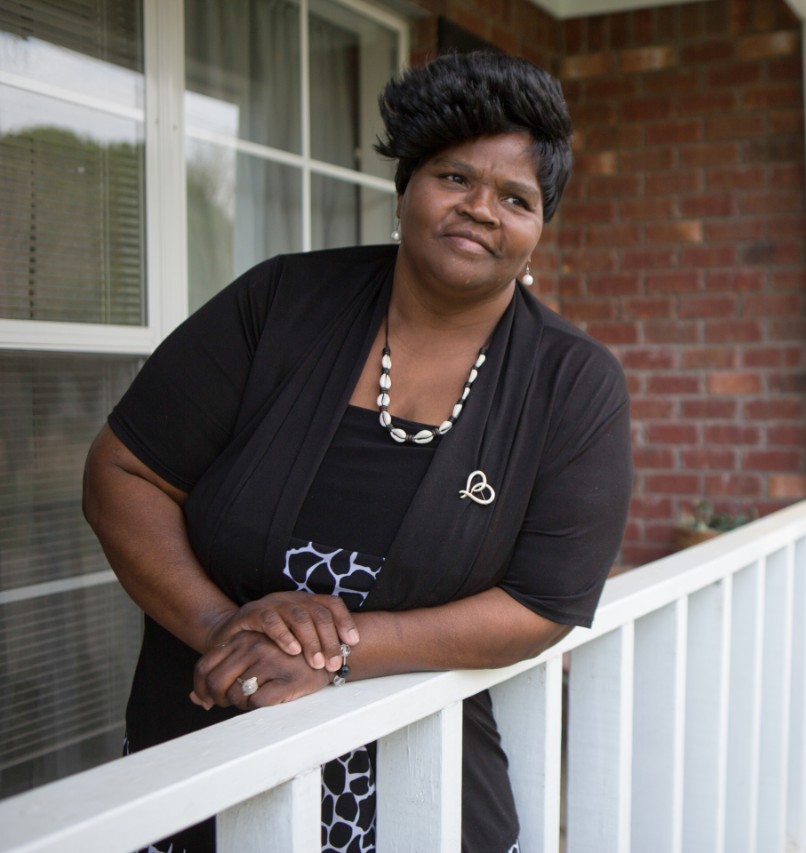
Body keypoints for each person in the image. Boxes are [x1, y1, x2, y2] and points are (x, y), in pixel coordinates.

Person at [82, 51, 631, 853]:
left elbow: (544, 602)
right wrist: (224, 628)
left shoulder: (572, 384)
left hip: (423, 796)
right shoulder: (280, 304)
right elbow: (123, 472)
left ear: (538, 229)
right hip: (198, 770)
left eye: (515, 197)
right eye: (454, 177)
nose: (481, 209)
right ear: (405, 186)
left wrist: (339, 653)